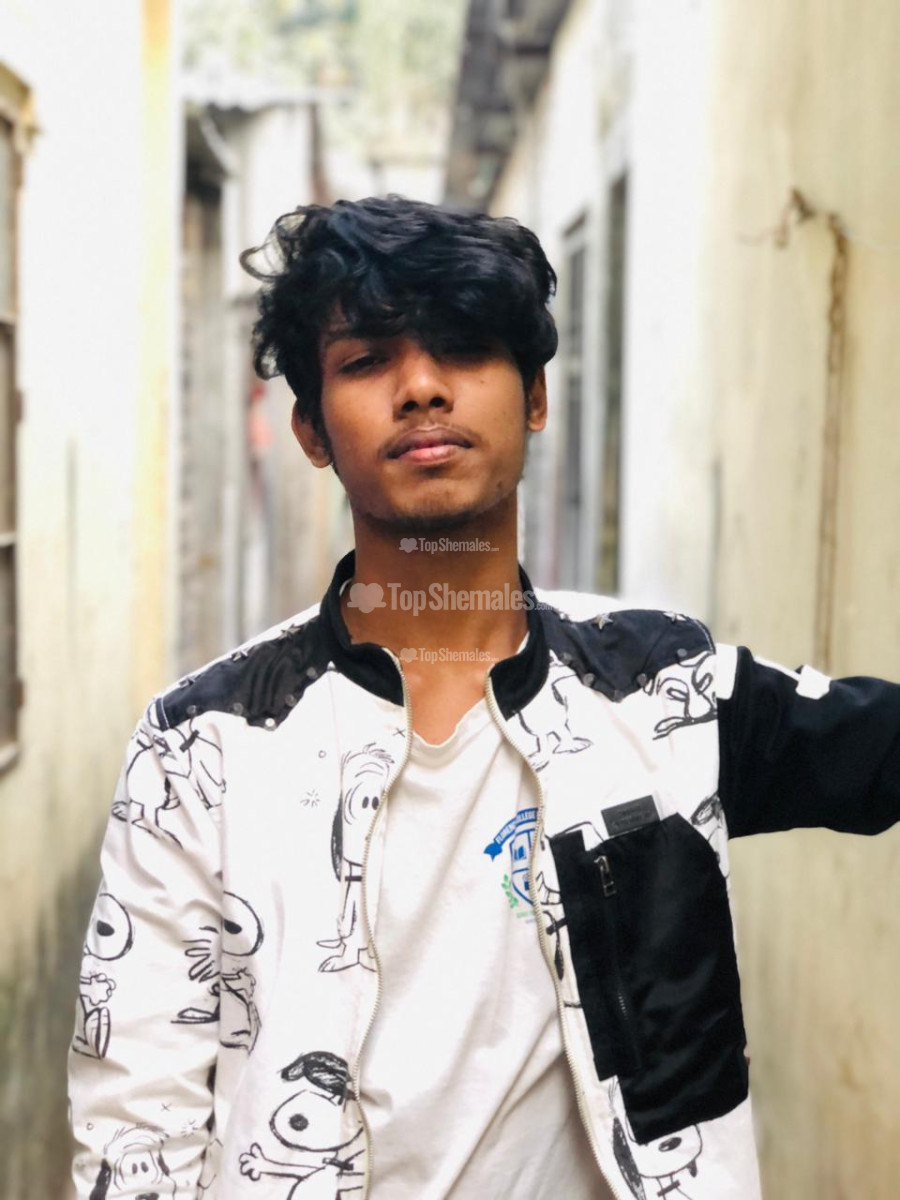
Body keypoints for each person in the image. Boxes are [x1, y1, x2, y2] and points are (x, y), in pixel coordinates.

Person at [68, 195, 900, 1200]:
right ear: (311, 429)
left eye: (463, 348)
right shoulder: (201, 750)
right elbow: (137, 1136)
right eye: (367, 361)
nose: (422, 387)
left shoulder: (660, 690)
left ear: (536, 396)